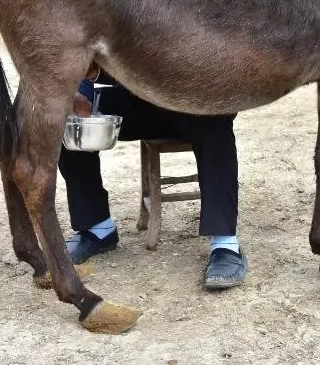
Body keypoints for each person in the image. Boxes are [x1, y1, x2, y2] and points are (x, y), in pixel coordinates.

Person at [58, 70, 247, 289]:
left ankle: (225, 244)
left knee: (216, 119)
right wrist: (82, 90)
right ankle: (97, 227)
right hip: (138, 99)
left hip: (191, 102)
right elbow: (85, 54)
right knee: (66, 115)